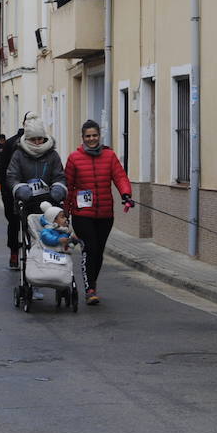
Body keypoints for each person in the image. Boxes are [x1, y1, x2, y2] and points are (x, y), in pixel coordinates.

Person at [64, 119, 133, 305]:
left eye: (94, 135)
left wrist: (126, 194)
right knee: (90, 248)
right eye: (88, 136)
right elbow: (68, 187)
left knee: (99, 252)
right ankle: (89, 289)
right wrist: (65, 213)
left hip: (104, 214)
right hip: (82, 214)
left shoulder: (109, 156)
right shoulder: (74, 158)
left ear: (99, 136)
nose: (92, 139)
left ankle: (92, 283)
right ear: (83, 137)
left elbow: (120, 177)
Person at [6, 113, 67, 299]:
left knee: (56, 241)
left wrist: (59, 188)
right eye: (34, 138)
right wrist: (20, 188)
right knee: (34, 243)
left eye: (41, 138)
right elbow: (11, 176)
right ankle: (35, 282)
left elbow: (59, 176)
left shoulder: (53, 155)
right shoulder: (18, 155)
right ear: (28, 138)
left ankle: (59, 277)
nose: (38, 142)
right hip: (28, 205)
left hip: (50, 206)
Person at [0, 117, 25, 268]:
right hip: (11, 191)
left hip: (33, 192)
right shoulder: (11, 143)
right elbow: (3, 168)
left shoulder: (40, 143)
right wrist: (4, 189)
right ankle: (14, 252)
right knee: (13, 223)